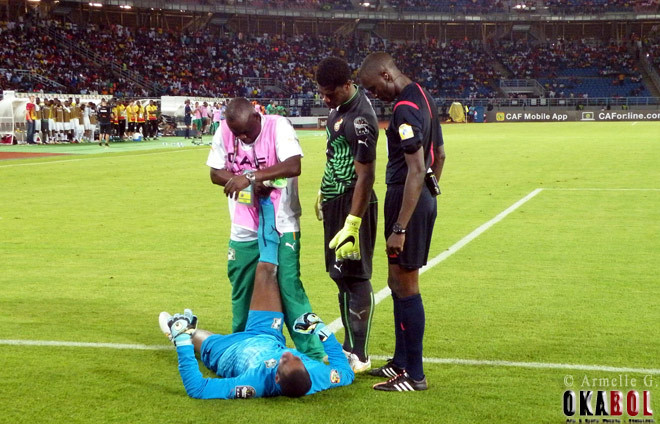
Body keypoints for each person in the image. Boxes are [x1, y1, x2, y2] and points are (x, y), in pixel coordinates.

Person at [159, 197, 354, 399]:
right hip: (267, 334)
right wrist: (321, 329)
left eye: (285, 361)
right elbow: (345, 372)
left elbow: (198, 389)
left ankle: (179, 332)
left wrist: (182, 343)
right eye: (297, 358)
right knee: (267, 270)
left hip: (227, 353)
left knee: (192, 336)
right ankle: (267, 203)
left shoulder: (253, 384)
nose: (289, 353)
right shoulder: (318, 376)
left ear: (276, 379)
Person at [206, 97, 325, 361]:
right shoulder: (225, 131)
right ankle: (239, 348)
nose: (244, 138)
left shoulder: (278, 126)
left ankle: (313, 353)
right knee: (242, 287)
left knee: (289, 287)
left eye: (248, 131)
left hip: (282, 222)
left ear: (257, 118)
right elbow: (215, 173)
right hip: (242, 224)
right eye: (238, 134)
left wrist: (251, 177)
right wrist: (245, 183)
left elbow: (294, 165)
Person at [358, 52, 446, 391]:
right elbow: (441, 152)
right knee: (396, 283)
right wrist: (430, 192)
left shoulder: (403, 109)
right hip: (417, 199)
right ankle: (400, 362)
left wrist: (401, 227)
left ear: (385, 73)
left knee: (407, 286)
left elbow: (414, 169)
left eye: (373, 87)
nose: (373, 95)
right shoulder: (423, 95)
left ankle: (415, 375)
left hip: (405, 202)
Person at [315, 57, 379, 373]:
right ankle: (347, 349)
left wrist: (353, 222)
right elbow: (336, 156)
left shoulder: (361, 118)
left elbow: (366, 176)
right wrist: (323, 191)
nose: (326, 99)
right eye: (323, 94)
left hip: (355, 206)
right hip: (335, 201)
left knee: (355, 277)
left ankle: (361, 354)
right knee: (339, 275)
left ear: (346, 84)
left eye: (330, 93)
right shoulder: (337, 112)